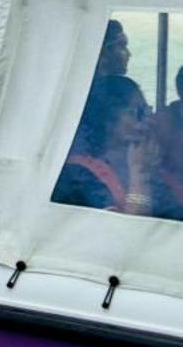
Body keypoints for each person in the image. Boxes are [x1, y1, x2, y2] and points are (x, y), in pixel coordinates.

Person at [50, 24, 151, 212]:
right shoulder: (80, 176)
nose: (128, 54)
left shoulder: (139, 159)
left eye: (147, 112)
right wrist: (140, 173)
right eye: (121, 46)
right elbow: (127, 232)